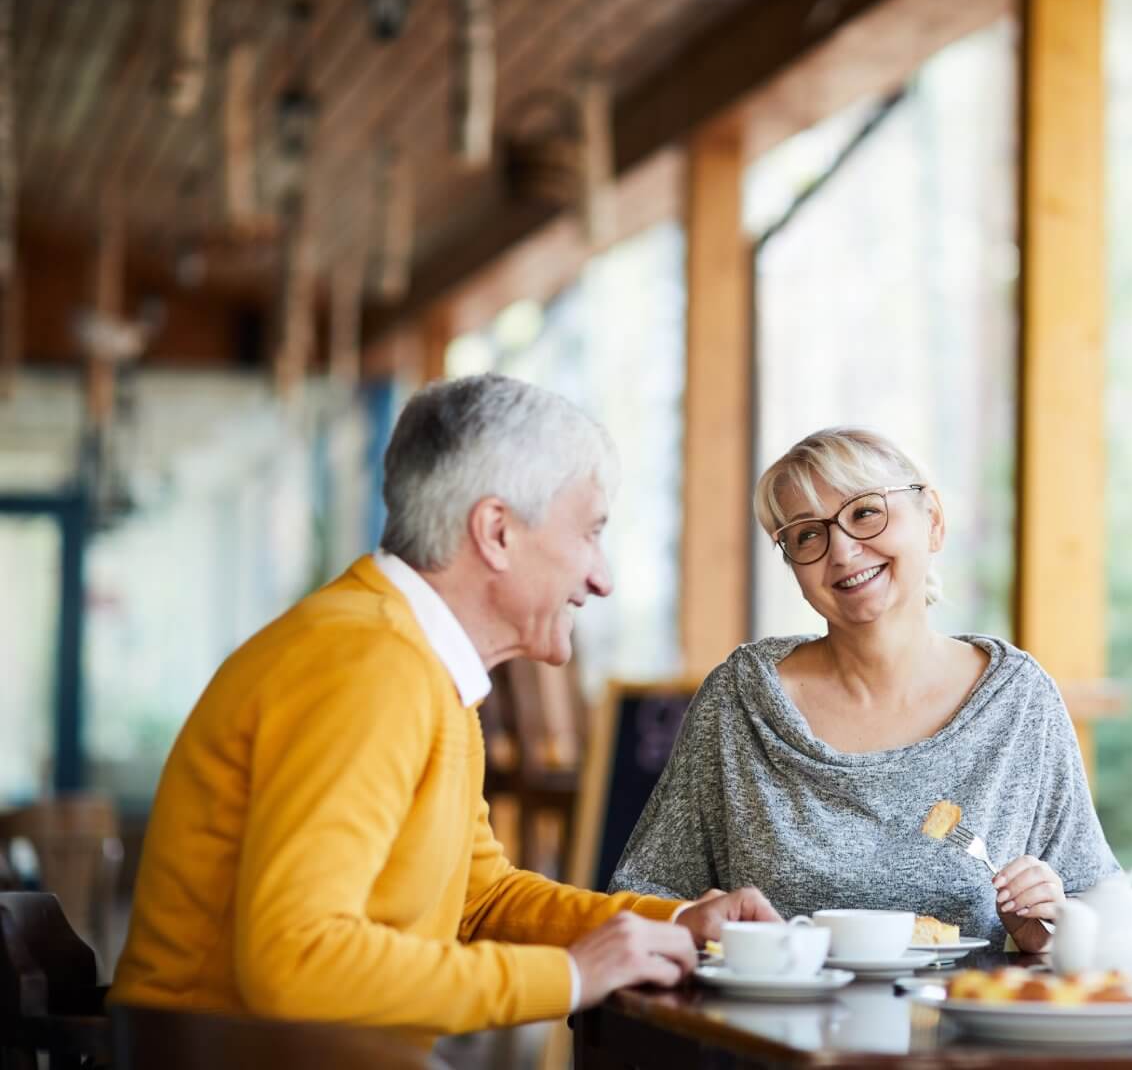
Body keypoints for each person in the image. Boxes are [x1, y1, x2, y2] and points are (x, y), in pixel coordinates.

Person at [111, 375, 777, 1041]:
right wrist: (572, 977)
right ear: (496, 532)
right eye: (590, 533)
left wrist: (672, 924)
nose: (602, 578)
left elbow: (480, 899)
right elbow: (296, 960)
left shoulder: (412, 661)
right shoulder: (370, 666)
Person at [611, 428, 1119, 951]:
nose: (843, 551)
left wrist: (1052, 927)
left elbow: (1099, 908)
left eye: (865, 513)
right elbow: (644, 896)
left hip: (962, 1027)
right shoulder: (740, 702)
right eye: (808, 535)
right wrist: (699, 922)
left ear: (934, 521)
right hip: (770, 1027)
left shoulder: (1018, 701)